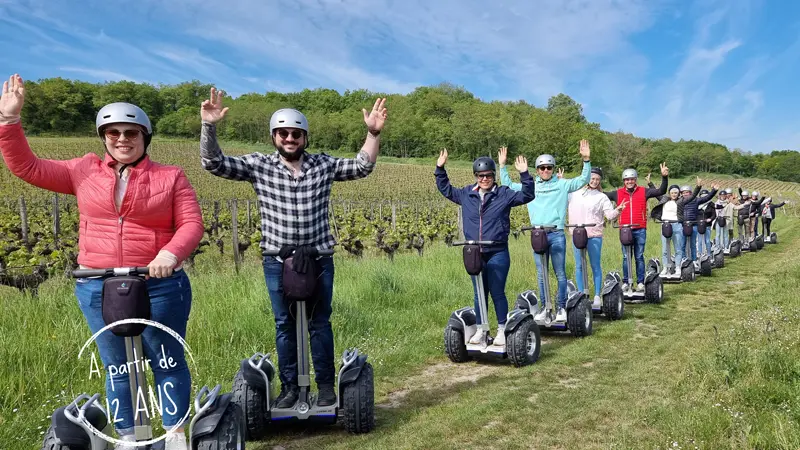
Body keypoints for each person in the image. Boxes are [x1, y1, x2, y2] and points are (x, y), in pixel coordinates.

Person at [0, 74, 203, 450]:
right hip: (97, 283)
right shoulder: (82, 170)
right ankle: (129, 436)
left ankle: (174, 433)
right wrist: (9, 122)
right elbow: (26, 168)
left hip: (159, 282)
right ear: (103, 137)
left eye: (131, 132)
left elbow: (191, 223)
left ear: (145, 136)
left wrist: (169, 254)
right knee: (116, 365)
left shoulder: (171, 176)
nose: (122, 139)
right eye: (114, 133)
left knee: (166, 358)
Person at [198, 87, 387, 409]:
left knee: (319, 323)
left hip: (319, 258)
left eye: (296, 134)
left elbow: (362, 166)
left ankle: (326, 386)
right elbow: (213, 163)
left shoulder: (323, 165)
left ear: (305, 137)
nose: (290, 138)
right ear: (274, 136)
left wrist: (371, 133)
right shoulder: (258, 165)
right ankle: (289, 388)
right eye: (283, 133)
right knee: (284, 324)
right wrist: (209, 126)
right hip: (277, 259)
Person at [435, 147, 534, 346]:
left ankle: (501, 329)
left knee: (496, 291)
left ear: (493, 176)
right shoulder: (466, 194)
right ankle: (481, 329)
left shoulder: (504, 194)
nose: (484, 179)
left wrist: (524, 174)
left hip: (497, 251)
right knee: (479, 292)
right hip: (474, 252)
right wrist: (440, 168)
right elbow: (446, 189)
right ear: (476, 176)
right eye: (480, 176)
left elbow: (527, 195)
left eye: (488, 175)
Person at [499, 140, 592, 322]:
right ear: (537, 170)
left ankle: (561, 308)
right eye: (542, 168)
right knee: (542, 274)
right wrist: (502, 165)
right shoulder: (532, 186)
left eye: (549, 168)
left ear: (553, 168)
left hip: (556, 234)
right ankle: (545, 306)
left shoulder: (563, 184)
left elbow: (583, 180)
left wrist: (586, 160)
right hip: (537, 235)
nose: (545, 171)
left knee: (560, 273)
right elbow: (508, 185)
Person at [566, 167, 626, 308]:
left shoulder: (602, 197)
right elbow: (560, 194)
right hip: (577, 234)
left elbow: (609, 215)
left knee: (595, 265)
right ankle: (582, 295)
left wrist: (618, 210)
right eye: (592, 178)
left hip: (594, 234)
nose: (594, 181)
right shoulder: (573, 194)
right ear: (587, 178)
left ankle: (597, 295)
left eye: (597, 179)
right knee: (579, 265)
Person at [603, 164, 669, 292]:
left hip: (640, 228)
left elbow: (661, 191)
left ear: (636, 180)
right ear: (624, 181)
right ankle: (627, 282)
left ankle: (640, 282)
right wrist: (592, 185)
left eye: (632, 179)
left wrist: (664, 177)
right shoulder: (617, 193)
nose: (629, 181)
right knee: (626, 256)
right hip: (625, 229)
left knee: (639, 256)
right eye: (627, 179)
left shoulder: (644, 191)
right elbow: (601, 195)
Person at [649, 180, 700, 275]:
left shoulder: (681, 201)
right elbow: (656, 192)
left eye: (676, 192)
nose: (674, 194)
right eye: (672, 192)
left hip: (677, 225)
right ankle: (665, 267)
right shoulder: (664, 199)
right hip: (665, 225)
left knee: (678, 248)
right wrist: (650, 183)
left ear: (678, 193)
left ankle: (678, 267)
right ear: (669, 193)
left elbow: (692, 197)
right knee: (665, 248)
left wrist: (698, 187)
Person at [679, 183, 718, 269]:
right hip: (683, 225)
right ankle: (683, 259)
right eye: (683, 192)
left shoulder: (696, 200)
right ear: (681, 194)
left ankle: (694, 260)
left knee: (693, 244)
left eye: (687, 192)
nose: (685, 194)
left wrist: (714, 190)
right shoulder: (679, 201)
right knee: (682, 244)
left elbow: (707, 198)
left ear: (690, 193)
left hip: (694, 224)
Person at [698, 189, 717, 253]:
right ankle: (700, 254)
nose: (704, 197)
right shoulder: (697, 204)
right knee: (700, 241)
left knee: (707, 240)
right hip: (699, 225)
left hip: (707, 225)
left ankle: (709, 254)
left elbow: (714, 215)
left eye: (706, 196)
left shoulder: (711, 204)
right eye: (703, 196)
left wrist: (710, 219)